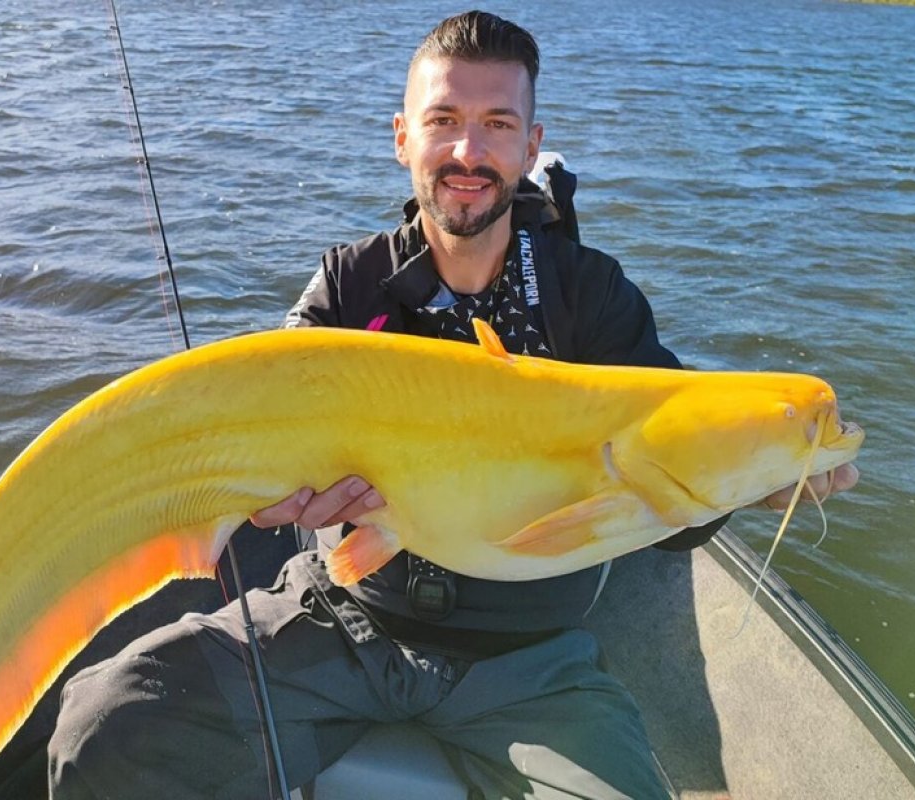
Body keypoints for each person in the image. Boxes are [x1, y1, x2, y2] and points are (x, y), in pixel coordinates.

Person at [48, 11, 859, 799]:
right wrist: (273, 502)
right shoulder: (348, 285)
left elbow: (674, 474)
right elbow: (259, 425)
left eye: (499, 124)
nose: (469, 152)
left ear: (531, 147)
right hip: (344, 616)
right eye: (445, 120)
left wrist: (761, 482)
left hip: (533, 660)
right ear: (403, 135)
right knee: (106, 729)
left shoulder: (592, 294)